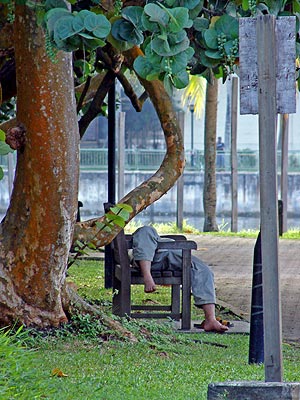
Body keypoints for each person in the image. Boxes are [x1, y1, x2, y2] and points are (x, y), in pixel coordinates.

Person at [132, 226, 229, 333]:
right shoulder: (144, 233)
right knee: (146, 230)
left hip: (170, 251)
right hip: (147, 258)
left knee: (203, 270)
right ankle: (147, 276)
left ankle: (210, 319)